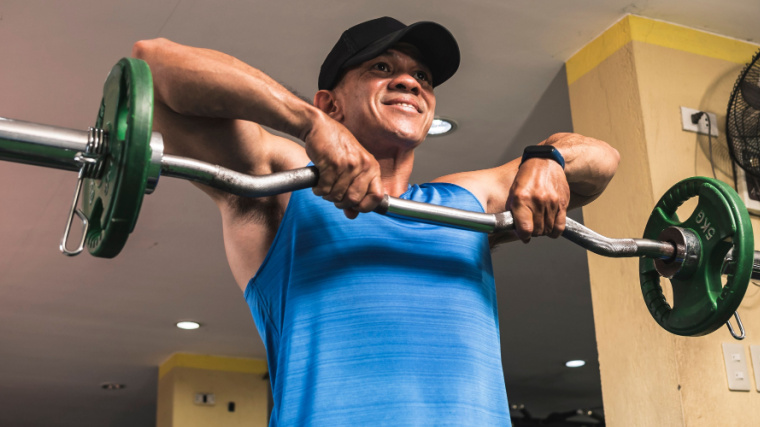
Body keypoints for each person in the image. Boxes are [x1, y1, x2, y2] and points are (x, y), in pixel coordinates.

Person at [133, 16, 619, 426]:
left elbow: (602, 161)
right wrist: (308, 124)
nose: (410, 82)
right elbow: (151, 66)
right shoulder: (283, 185)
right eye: (382, 67)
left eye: (423, 77)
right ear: (332, 102)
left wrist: (549, 158)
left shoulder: (465, 201)